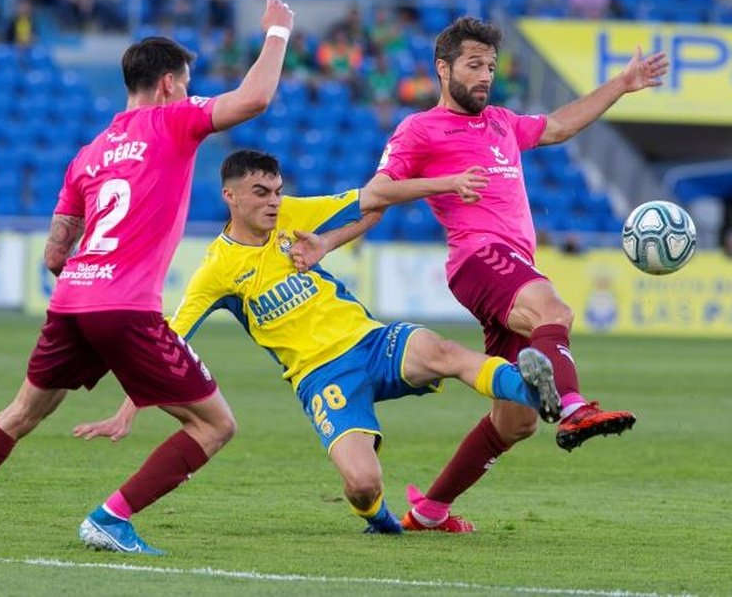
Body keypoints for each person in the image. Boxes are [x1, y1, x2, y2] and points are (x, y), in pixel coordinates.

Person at [0, 0, 296, 554]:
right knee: (215, 425)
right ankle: (112, 518)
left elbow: (54, 252)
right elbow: (255, 98)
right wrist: (279, 31)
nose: (188, 94)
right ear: (168, 84)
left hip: (71, 301)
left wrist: (89, 267)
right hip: (127, 306)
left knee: (21, 412)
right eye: (185, 85)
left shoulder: (89, 153)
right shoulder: (173, 120)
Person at [293, 17, 667, 531]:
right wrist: (440, 184)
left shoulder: (501, 122)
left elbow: (558, 126)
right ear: (443, 69)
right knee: (554, 310)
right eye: (473, 64)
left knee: (515, 422)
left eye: (490, 65)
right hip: (478, 259)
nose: (485, 75)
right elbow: (376, 194)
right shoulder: (419, 129)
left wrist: (622, 86)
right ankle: (576, 406)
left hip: (510, 266)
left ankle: (429, 510)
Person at [72, 149, 560, 534]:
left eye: (278, 191)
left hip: (369, 341)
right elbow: (170, 341)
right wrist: (132, 404)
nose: (273, 202)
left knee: (443, 352)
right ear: (231, 196)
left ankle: (531, 389)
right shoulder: (216, 270)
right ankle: (379, 520)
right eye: (260, 192)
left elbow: (372, 197)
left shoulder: (293, 217)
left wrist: (447, 183)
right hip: (321, 377)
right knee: (363, 482)